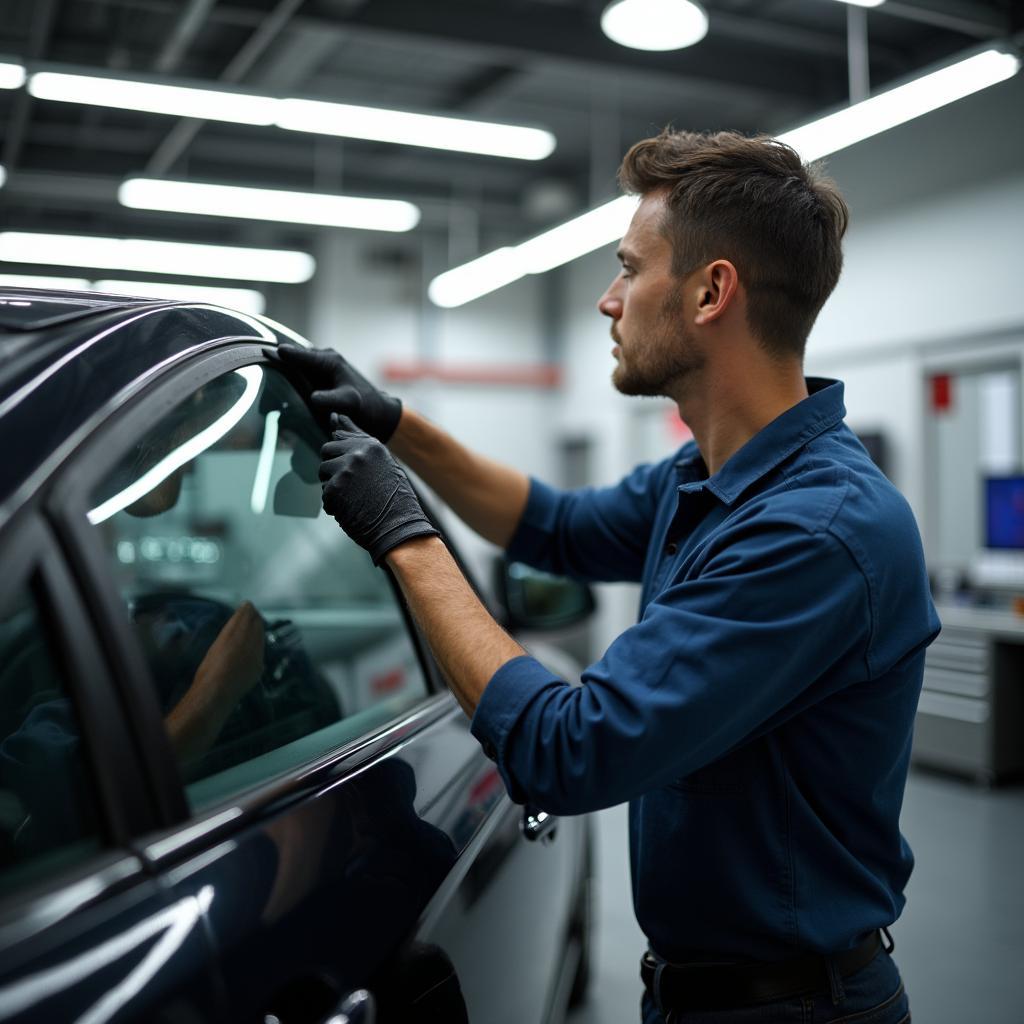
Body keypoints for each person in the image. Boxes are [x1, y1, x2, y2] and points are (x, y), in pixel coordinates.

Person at [279, 129, 940, 1024]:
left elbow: (569, 750)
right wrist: (398, 426)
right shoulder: (706, 477)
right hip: (703, 995)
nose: (608, 300)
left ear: (712, 292)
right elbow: (550, 524)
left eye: (630, 268)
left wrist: (406, 536)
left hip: (791, 1007)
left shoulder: (814, 530)